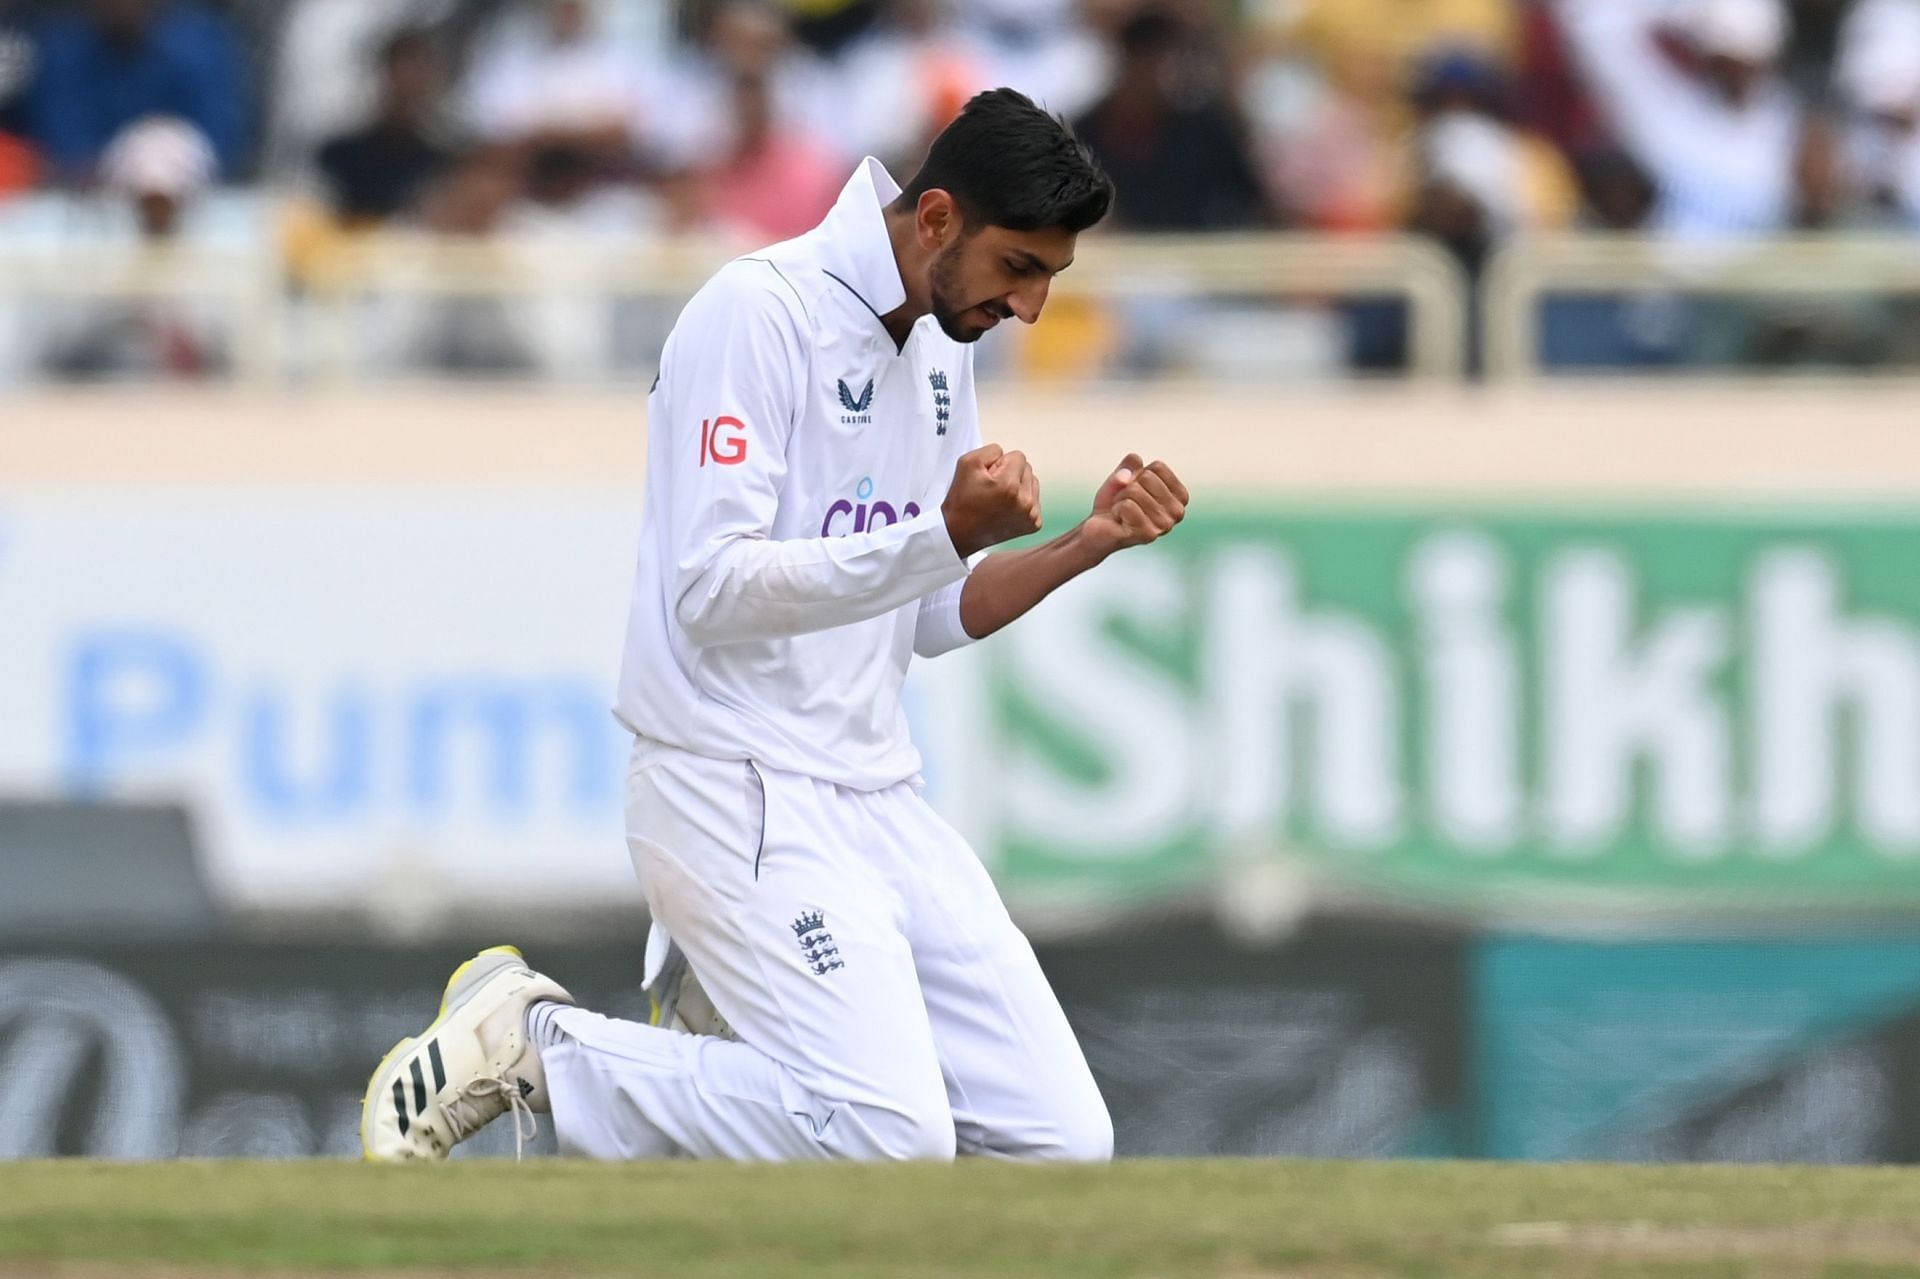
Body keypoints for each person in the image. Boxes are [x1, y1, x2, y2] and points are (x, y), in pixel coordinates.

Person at [361, 88, 1190, 1164]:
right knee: (889, 1137)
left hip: (877, 790)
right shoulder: (757, 311)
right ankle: (539, 1044)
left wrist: (1086, 542)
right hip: (730, 781)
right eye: (1020, 268)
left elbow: (929, 612)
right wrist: (941, 528)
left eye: (1048, 278)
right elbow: (709, 587)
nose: (1029, 307)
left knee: (1061, 1140)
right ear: (935, 219)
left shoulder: (945, 342)